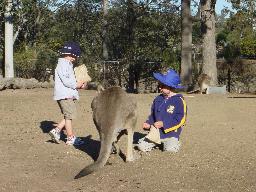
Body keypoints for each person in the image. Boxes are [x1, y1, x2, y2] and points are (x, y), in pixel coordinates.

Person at [138, 69, 187, 152]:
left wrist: (164, 124)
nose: (160, 87)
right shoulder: (158, 99)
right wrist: (148, 123)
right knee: (141, 146)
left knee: (170, 149)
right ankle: (157, 143)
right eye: (160, 85)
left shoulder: (179, 101)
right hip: (156, 133)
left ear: (171, 87)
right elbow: (152, 115)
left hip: (171, 134)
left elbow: (181, 119)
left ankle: (175, 143)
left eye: (163, 86)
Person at [49, 42, 86, 146]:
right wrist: (76, 85)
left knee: (68, 115)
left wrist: (79, 84)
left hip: (66, 94)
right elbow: (66, 81)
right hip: (65, 95)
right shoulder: (63, 64)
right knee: (69, 116)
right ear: (70, 54)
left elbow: (70, 80)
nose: (75, 58)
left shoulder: (67, 64)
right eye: (74, 56)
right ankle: (70, 138)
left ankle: (57, 130)